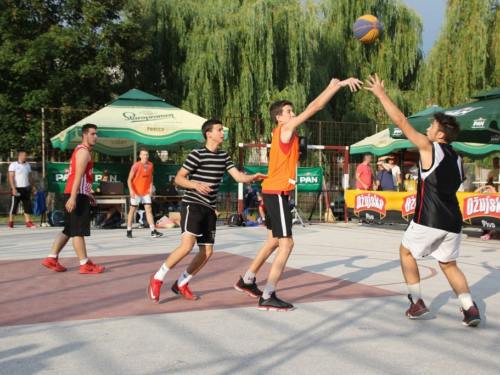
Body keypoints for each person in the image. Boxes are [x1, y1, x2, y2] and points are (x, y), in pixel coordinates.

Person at [234, 77, 363, 311]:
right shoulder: (285, 129)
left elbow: (312, 106)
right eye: (289, 111)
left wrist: (333, 85)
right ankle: (268, 295)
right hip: (276, 191)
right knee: (287, 244)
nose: (293, 114)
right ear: (279, 118)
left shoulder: (286, 133)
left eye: (293, 111)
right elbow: (315, 107)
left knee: (273, 241)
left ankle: (247, 280)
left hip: (273, 191)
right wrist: (337, 86)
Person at [365, 73, 481, 327]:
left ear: (440, 135)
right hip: (453, 220)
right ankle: (470, 308)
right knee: (449, 264)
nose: (427, 129)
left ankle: (416, 303)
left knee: (406, 252)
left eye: (431, 127)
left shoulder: (430, 148)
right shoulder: (459, 159)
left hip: (429, 217)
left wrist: (381, 94)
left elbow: (402, 122)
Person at [147, 119, 266, 303]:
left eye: (223, 130)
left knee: (207, 252)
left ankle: (181, 283)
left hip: (209, 208)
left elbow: (238, 176)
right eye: (219, 130)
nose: (223, 133)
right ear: (208, 134)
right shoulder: (197, 154)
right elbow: (179, 179)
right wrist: (196, 185)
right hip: (193, 204)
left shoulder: (224, 156)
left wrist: (253, 176)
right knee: (187, 246)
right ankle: (158, 278)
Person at [42, 124, 105, 274]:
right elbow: (78, 176)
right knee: (78, 231)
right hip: (75, 195)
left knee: (69, 230)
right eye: (93, 134)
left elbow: (80, 177)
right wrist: (74, 197)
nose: (95, 136)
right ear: (85, 135)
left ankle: (51, 258)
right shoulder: (84, 152)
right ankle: (85, 264)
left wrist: (87, 193)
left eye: (97, 134)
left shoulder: (80, 150)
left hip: (74, 193)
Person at [126, 149, 162, 238]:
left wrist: (150, 187)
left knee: (149, 210)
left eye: (147, 154)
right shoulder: (136, 166)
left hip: (145, 192)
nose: (145, 156)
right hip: (136, 192)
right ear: (140, 156)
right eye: (144, 154)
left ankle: (153, 230)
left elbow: (150, 177)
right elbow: (129, 179)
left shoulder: (150, 165)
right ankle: (129, 230)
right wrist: (131, 190)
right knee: (132, 211)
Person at [8, 151, 37, 228]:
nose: (26, 157)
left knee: (27, 205)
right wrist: (13, 188)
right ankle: (11, 222)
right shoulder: (13, 165)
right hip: (17, 188)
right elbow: (11, 177)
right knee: (14, 205)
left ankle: (28, 222)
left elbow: (30, 177)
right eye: (25, 156)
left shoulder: (27, 165)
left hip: (26, 187)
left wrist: (33, 187)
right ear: (20, 156)